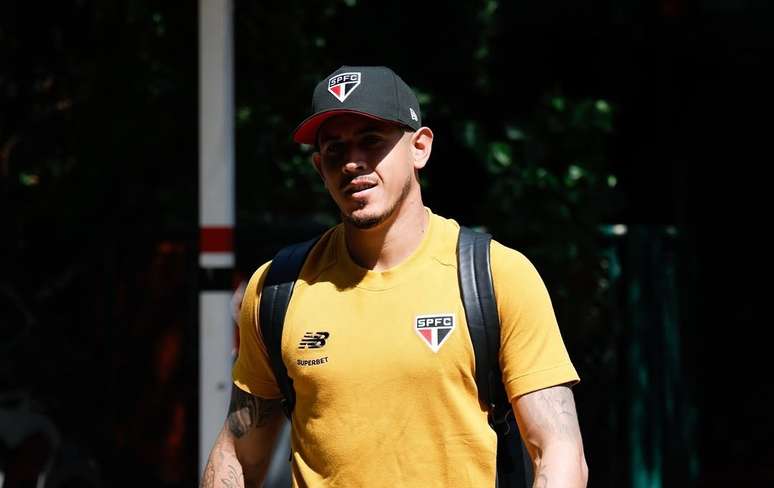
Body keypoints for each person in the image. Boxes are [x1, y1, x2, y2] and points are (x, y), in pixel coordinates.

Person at [202, 65, 588, 488]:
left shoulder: (495, 277)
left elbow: (558, 449)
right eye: (334, 149)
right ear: (318, 167)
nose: (352, 162)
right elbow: (238, 455)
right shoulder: (279, 288)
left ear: (419, 148)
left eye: (371, 141)